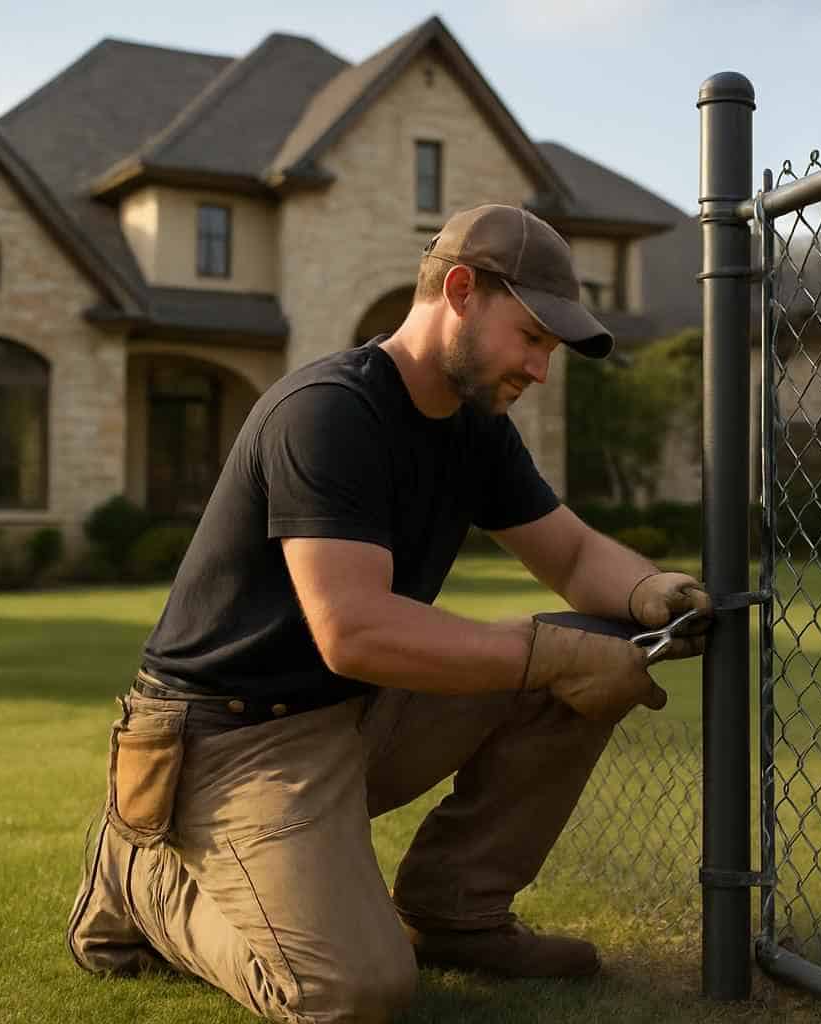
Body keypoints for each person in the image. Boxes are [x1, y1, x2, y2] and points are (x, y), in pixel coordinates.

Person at [65, 203, 712, 1023]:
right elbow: (355, 630)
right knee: (352, 991)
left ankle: (459, 914)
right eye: (533, 338)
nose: (541, 369)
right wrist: (550, 654)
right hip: (226, 743)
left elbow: (577, 559)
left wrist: (650, 594)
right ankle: (143, 882)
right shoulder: (328, 413)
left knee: (602, 651)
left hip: (351, 715)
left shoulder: (475, 427)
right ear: (462, 290)